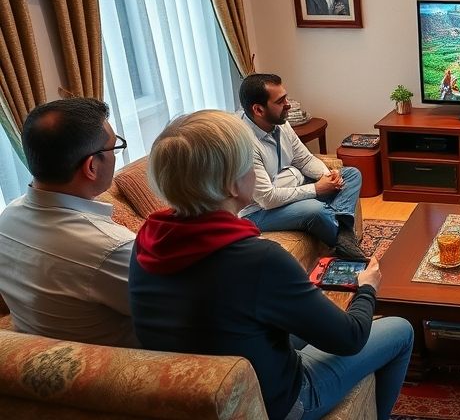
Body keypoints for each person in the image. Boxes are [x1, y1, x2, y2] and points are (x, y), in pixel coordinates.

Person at [129, 110, 413, 420]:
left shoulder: (146, 242)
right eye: (250, 165)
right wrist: (367, 289)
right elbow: (349, 338)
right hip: (280, 402)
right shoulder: (259, 259)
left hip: (193, 397)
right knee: (401, 329)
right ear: (231, 185)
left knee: (307, 325)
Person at [0, 98, 137, 347]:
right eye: (114, 147)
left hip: (40, 358)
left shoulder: (7, 218)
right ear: (92, 166)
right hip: (120, 371)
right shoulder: (111, 247)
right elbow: (180, 313)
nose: (117, 154)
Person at [238, 73, 366, 260]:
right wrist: (316, 189)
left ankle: (343, 234)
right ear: (258, 110)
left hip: (292, 187)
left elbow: (304, 160)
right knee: (316, 210)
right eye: (281, 101)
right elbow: (267, 199)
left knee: (351, 174)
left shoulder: (280, 123)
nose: (288, 104)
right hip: (261, 211)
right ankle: (345, 241)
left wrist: (328, 176)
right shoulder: (244, 144)